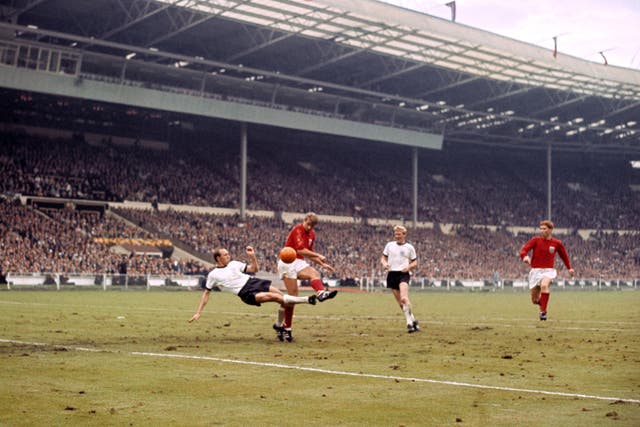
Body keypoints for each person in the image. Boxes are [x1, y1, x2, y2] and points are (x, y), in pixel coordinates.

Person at [189, 246, 316, 325]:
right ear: (218, 258)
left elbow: (254, 268)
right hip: (246, 293)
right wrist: (198, 312)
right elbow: (206, 294)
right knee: (276, 297)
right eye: (225, 254)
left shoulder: (234, 263)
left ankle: (278, 326)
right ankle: (307, 300)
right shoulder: (213, 275)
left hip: (253, 281)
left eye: (228, 254)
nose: (228, 256)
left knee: (283, 299)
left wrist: (253, 257)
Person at [275, 212, 337, 342]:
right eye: (308, 224)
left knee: (315, 274)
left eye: (312, 226)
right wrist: (319, 255)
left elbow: (309, 254)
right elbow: (300, 250)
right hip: (288, 262)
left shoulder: (312, 234)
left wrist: (322, 264)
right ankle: (286, 328)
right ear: (305, 220)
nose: (309, 228)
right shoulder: (297, 229)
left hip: (299, 262)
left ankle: (320, 293)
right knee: (292, 298)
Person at [519, 220, 575, 321]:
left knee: (544, 285)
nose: (542, 231)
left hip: (548, 271)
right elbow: (523, 250)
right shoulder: (535, 240)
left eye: (544, 229)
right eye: (540, 229)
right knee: (535, 300)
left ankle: (543, 312)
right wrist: (525, 257)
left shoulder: (557, 243)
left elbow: (564, 256)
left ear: (550, 230)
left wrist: (569, 268)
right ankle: (543, 304)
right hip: (535, 271)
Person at [381, 225, 420, 333]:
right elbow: (383, 257)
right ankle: (413, 320)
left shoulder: (409, 247)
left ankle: (409, 324)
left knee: (404, 298)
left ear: (404, 235)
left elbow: (415, 261)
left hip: (403, 274)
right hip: (392, 275)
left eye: (399, 234)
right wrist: (384, 264)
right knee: (400, 304)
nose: (397, 236)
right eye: (395, 234)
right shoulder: (389, 245)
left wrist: (409, 267)